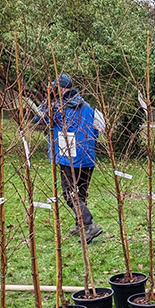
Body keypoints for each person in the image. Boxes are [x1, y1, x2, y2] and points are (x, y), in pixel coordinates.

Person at [35, 74, 104, 243]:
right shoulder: (87, 106)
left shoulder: (58, 108)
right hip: (88, 157)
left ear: (61, 89)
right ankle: (81, 226)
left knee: (70, 195)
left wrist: (46, 102)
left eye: (54, 87)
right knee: (80, 193)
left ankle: (89, 225)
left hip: (69, 158)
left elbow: (38, 120)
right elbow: (97, 130)